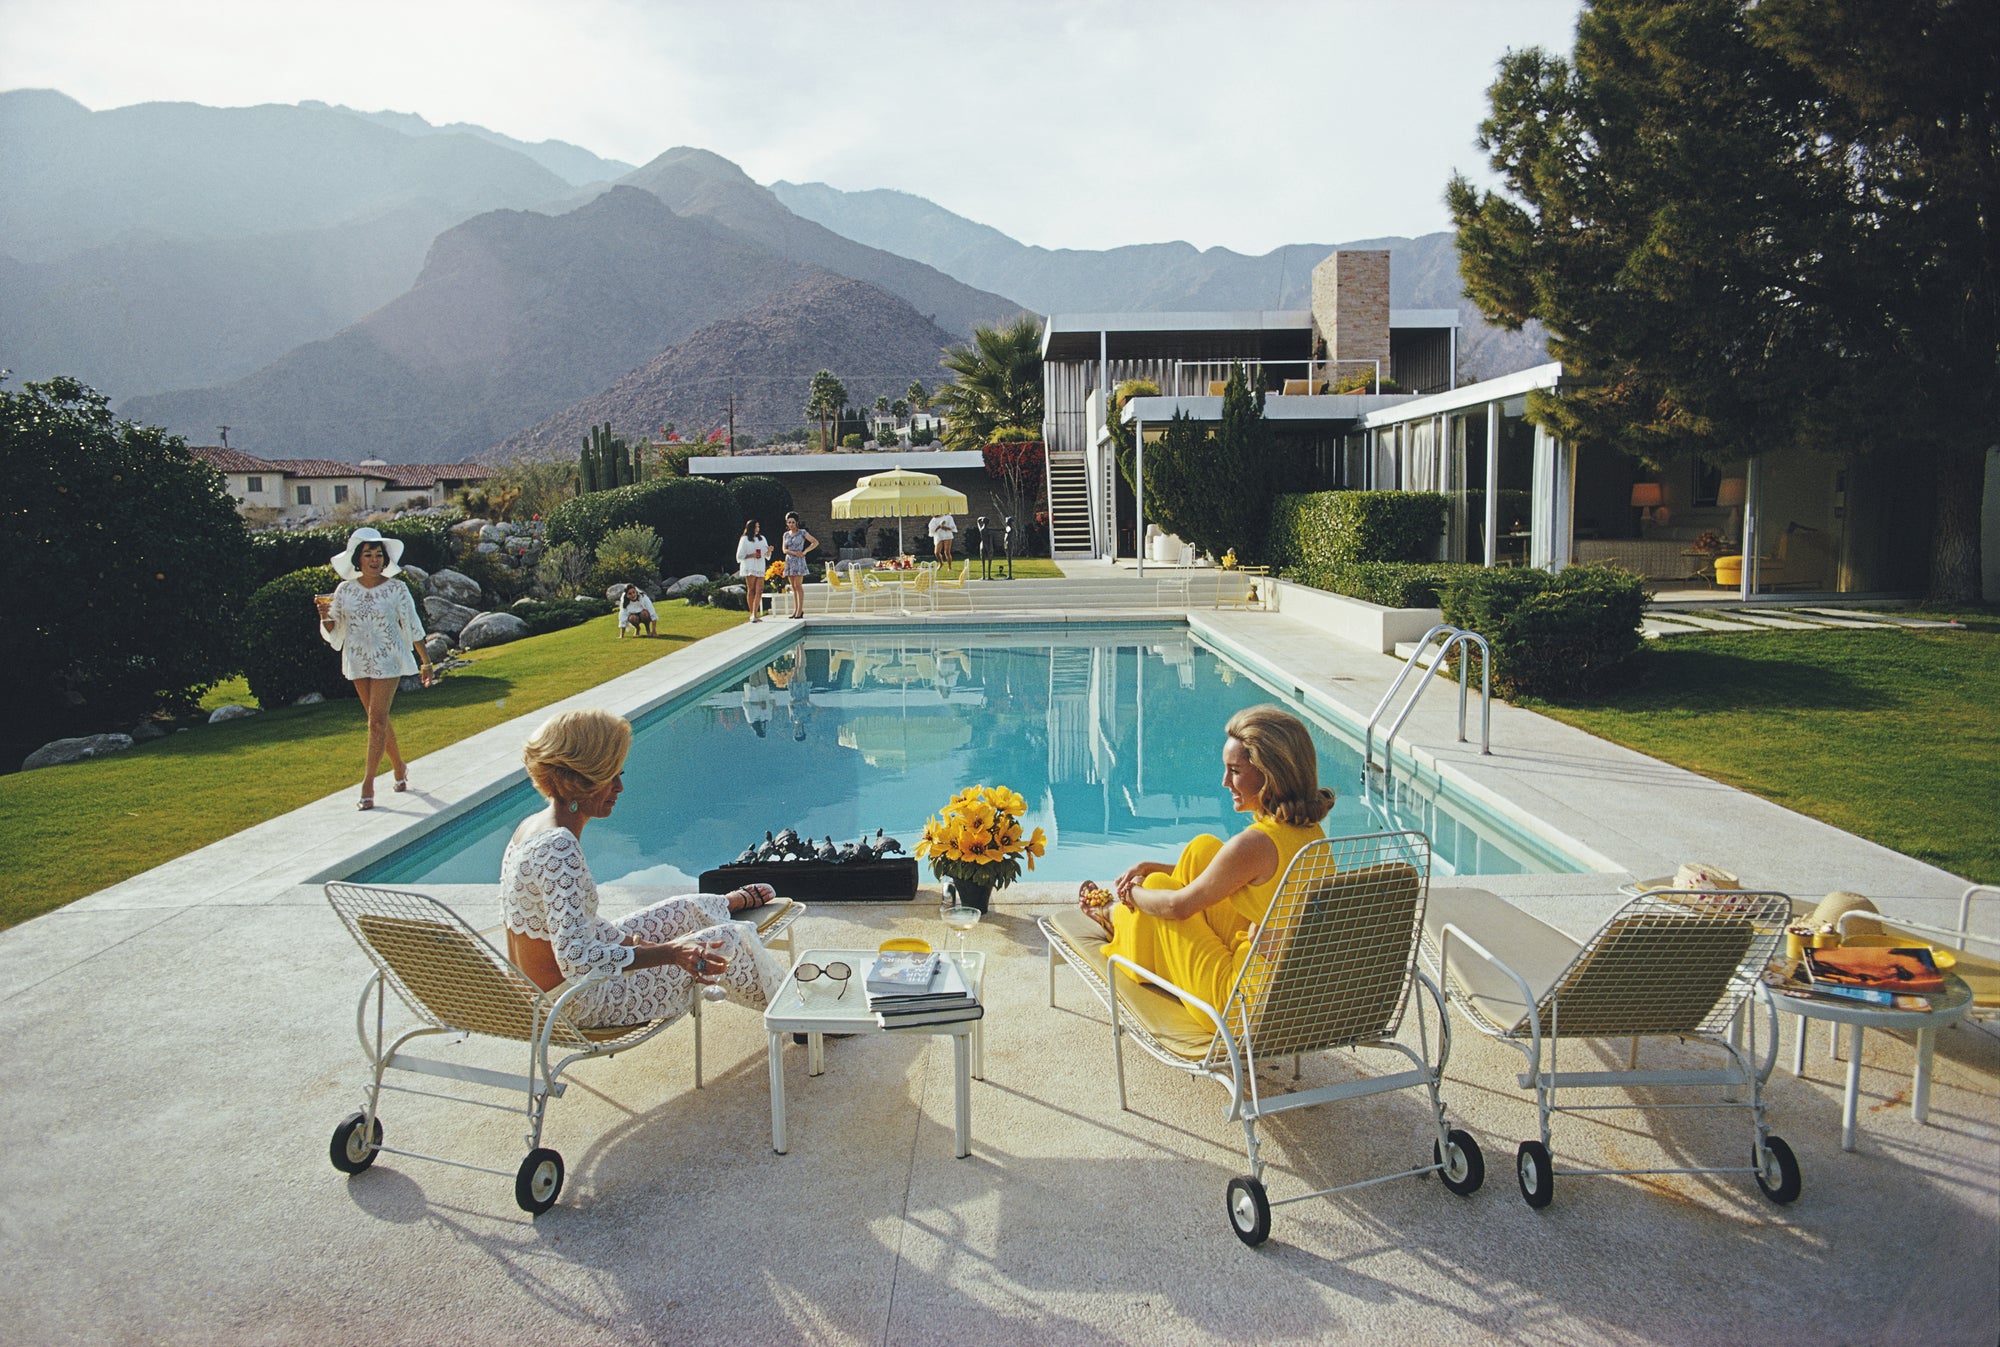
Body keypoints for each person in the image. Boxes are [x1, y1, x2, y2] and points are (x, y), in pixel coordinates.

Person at [499, 709, 787, 1026]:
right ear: (582, 778)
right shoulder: (559, 847)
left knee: (682, 908)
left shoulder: (533, 827)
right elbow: (576, 959)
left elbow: (579, 922)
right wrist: (672, 953)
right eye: (612, 776)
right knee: (731, 939)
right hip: (576, 1002)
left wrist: (641, 944)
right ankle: (797, 1014)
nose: (620, 787)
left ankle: (722, 903)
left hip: (547, 991)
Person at [1081, 705, 1334, 1014]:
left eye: (1236, 771)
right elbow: (1230, 874)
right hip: (1284, 989)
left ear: (1270, 775)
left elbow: (1178, 907)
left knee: (1160, 888)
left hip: (1238, 1002)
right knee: (1202, 850)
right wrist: (1152, 866)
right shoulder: (1310, 832)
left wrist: (1130, 892)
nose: (1225, 782)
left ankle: (1114, 915)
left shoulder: (1256, 843)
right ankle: (1130, 924)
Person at [319, 527, 434, 810]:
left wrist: (426, 661)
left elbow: (413, 626)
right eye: (368, 555)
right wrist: (324, 618)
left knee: (376, 721)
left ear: (385, 558)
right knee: (377, 720)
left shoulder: (397, 588)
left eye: (379, 554)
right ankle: (399, 766)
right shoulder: (344, 590)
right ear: (358, 559)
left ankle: (368, 783)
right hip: (357, 658)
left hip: (388, 657)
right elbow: (335, 631)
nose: (374, 560)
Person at [780, 512, 819, 620]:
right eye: (789, 522)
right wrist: (793, 553)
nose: (791, 524)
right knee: (793, 587)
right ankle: (796, 609)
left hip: (799, 561)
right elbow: (784, 549)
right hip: (789, 561)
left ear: (796, 522)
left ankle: (799, 610)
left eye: (793, 522)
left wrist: (805, 551)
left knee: (798, 585)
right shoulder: (786, 535)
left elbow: (815, 542)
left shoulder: (802, 533)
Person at [736, 520, 771, 622]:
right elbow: (739, 556)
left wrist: (769, 551)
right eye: (755, 527)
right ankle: (752, 614)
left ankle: (755, 613)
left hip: (760, 566)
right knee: (751, 589)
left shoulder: (762, 539)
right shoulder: (744, 539)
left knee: (759, 590)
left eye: (758, 527)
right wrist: (752, 555)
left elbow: (767, 555)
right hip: (749, 566)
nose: (757, 529)